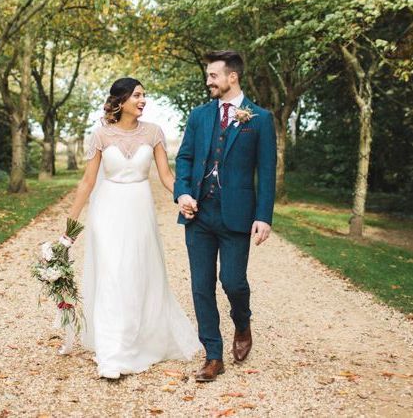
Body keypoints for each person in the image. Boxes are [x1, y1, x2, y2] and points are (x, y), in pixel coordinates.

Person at [64, 77, 201, 379]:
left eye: (144, 95)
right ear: (121, 99)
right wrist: (69, 229)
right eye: (137, 95)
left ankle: (138, 339)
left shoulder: (153, 133)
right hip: (107, 211)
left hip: (140, 211)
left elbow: (166, 176)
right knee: (113, 274)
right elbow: (88, 183)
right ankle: (112, 354)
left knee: (137, 273)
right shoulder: (100, 135)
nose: (143, 100)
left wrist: (183, 196)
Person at [174, 50, 276, 382]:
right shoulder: (199, 116)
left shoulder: (259, 118)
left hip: (237, 214)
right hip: (199, 215)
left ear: (232, 77)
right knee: (202, 287)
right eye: (207, 76)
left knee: (232, 281)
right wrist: (183, 193)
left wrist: (264, 216)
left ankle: (242, 322)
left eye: (213, 76)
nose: (208, 81)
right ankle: (213, 356)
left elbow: (267, 172)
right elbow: (185, 158)